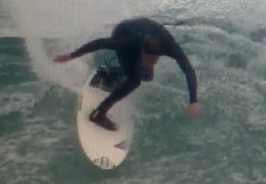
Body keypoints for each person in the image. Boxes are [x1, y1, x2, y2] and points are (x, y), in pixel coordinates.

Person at [55, 18, 199, 131]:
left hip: (146, 29)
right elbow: (99, 44)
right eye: (146, 61)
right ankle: (99, 114)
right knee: (135, 80)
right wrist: (72, 55)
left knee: (147, 76)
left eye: (152, 62)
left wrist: (193, 101)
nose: (149, 64)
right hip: (123, 31)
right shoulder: (129, 43)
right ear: (141, 52)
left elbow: (189, 70)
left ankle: (112, 75)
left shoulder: (170, 47)